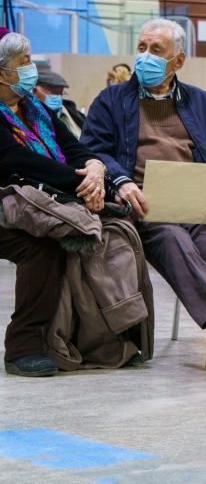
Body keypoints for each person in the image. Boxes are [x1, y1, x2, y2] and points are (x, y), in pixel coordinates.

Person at [81, 18, 206, 372]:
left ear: (178, 61)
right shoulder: (111, 101)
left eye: (156, 50)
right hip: (144, 209)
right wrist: (120, 180)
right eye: (141, 48)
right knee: (171, 236)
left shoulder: (204, 104)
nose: (145, 56)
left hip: (200, 207)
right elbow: (93, 151)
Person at [0, 33, 109, 377]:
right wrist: (78, 185)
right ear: (2, 73)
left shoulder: (36, 107)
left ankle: (92, 337)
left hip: (44, 202)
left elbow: (72, 146)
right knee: (41, 248)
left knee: (107, 231)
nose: (34, 68)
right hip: (6, 206)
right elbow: (12, 160)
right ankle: (24, 346)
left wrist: (93, 169)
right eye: (26, 62)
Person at [33, 70, 86, 138]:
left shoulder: (73, 113)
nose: (57, 96)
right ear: (35, 92)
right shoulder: (31, 116)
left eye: (60, 92)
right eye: (51, 92)